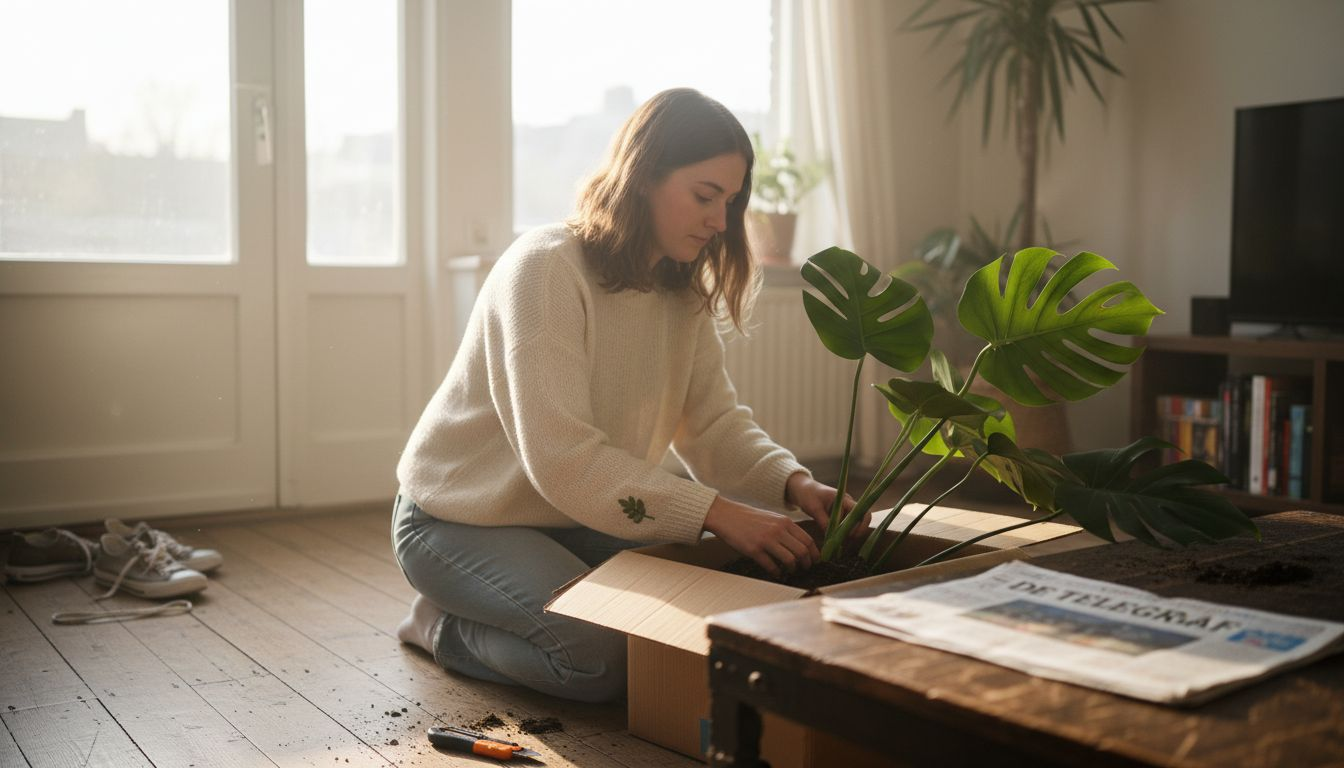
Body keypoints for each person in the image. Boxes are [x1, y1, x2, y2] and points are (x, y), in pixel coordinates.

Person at [392, 88, 856, 703]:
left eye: (731, 201)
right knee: (601, 657)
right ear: (643, 177)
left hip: (572, 517)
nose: (721, 222)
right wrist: (717, 511)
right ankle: (440, 625)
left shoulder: (680, 289)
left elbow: (714, 425)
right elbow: (564, 459)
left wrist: (795, 484)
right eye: (705, 196)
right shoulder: (545, 268)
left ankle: (508, 599)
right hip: (457, 521)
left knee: (705, 597)